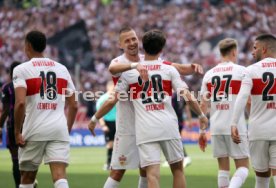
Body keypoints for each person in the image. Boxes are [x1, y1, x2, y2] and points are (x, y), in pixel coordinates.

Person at [90, 29, 208, 188]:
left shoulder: (131, 73)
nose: (132, 43)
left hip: (144, 128)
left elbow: (112, 100)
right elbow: (186, 94)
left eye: (134, 39)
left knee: (149, 173)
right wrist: (201, 115)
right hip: (152, 126)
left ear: (142, 45)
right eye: (127, 40)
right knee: (176, 170)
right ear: (161, 49)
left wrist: (95, 118)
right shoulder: (131, 65)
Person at [13, 30, 78, 188]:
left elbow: (20, 103)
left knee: (27, 177)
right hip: (58, 128)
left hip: (35, 128)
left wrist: (16, 131)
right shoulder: (62, 69)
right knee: (59, 176)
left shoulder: (21, 69)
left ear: (28, 45)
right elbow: (74, 104)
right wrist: (67, 128)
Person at [199, 38, 250, 188]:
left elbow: (203, 104)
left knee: (223, 168)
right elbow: (247, 101)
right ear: (234, 51)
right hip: (235, 126)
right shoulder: (241, 71)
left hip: (216, 127)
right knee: (243, 167)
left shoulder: (209, 74)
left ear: (220, 53)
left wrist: (202, 131)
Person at [231, 34, 276, 188]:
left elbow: (242, 97)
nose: (252, 52)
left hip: (258, 131)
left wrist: (234, 123)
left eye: (255, 48)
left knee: (262, 178)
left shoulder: (250, 70)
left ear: (264, 49)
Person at [0, 61, 21, 188]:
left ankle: (19, 185)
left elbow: (6, 110)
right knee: (27, 157)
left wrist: (0, 125)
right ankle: (30, 182)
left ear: (11, 73)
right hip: (28, 125)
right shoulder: (27, 86)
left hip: (12, 125)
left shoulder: (7, 88)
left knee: (15, 158)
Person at [96, 81, 116, 170]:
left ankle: (117, 163)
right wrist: (103, 125)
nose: (114, 89)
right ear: (108, 87)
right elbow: (99, 114)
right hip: (108, 123)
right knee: (110, 144)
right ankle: (108, 163)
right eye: (113, 87)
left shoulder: (117, 98)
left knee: (119, 144)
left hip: (118, 122)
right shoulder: (102, 99)